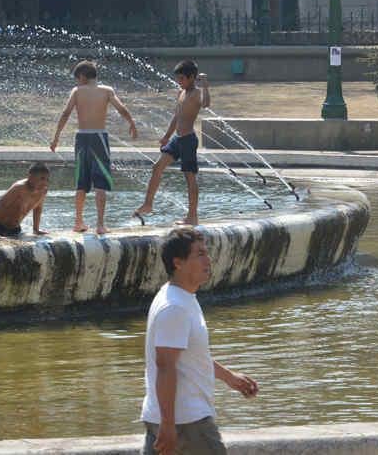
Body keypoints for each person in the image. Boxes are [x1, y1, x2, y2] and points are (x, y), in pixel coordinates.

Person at [141, 228, 259, 455]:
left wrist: (229, 377)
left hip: (173, 418)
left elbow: (189, 355)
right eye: (200, 254)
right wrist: (168, 424)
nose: (209, 260)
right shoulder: (175, 307)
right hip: (187, 422)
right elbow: (165, 366)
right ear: (178, 263)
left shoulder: (181, 298)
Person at [50, 60, 138, 234]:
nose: (77, 82)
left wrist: (56, 137)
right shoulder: (107, 91)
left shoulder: (77, 92)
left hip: (82, 138)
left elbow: (65, 113)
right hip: (99, 137)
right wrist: (132, 123)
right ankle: (100, 224)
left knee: (81, 182)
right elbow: (122, 109)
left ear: (82, 76)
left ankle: (78, 222)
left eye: (77, 78)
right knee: (101, 182)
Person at [133, 60, 210, 226]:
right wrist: (167, 136)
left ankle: (192, 216)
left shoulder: (197, 93)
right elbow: (177, 116)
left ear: (191, 77)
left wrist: (205, 86)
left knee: (189, 177)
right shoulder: (180, 92)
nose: (179, 81)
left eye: (182, 78)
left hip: (188, 140)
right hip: (176, 139)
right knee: (157, 167)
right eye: (178, 78)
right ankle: (148, 204)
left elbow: (206, 104)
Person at [0, 162, 50, 239]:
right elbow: (0, 205)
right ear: (30, 177)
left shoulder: (43, 190)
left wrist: (36, 229)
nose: (45, 182)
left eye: (47, 179)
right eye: (42, 178)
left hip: (15, 230)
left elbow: (38, 208)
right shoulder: (19, 188)